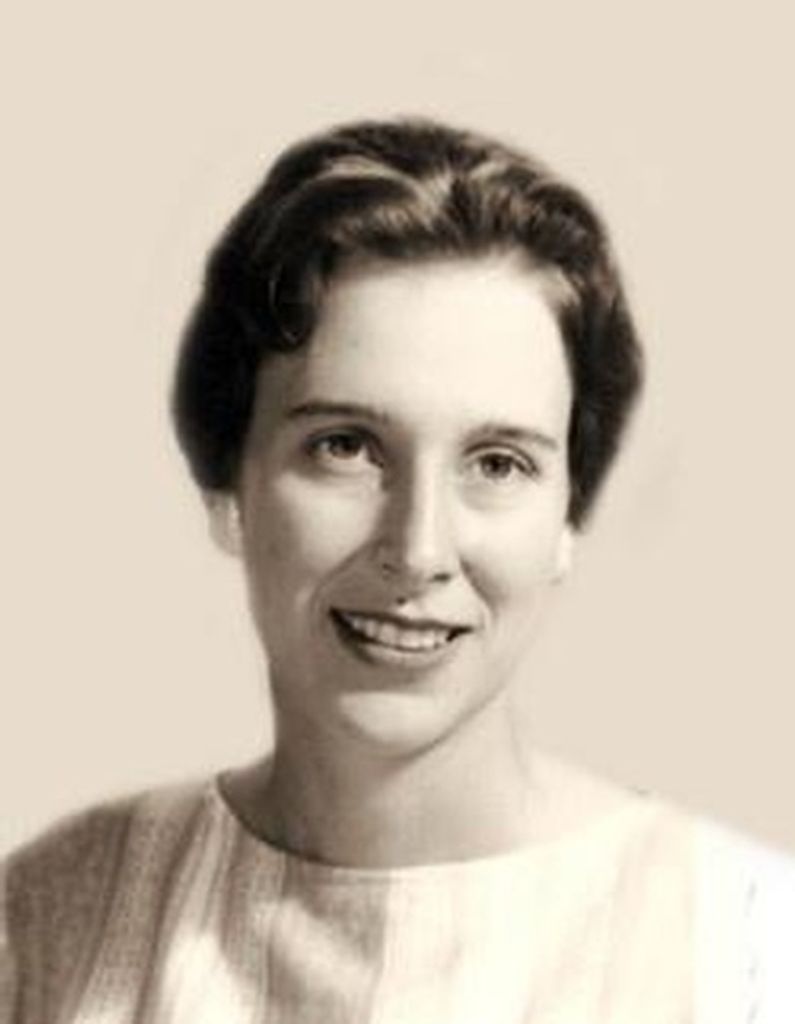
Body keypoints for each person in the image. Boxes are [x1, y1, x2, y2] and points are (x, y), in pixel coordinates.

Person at [2, 117, 793, 1023]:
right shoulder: (52, 921)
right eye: (345, 447)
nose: (417, 549)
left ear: (567, 518)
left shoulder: (747, 950)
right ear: (231, 486)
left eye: (497, 463)